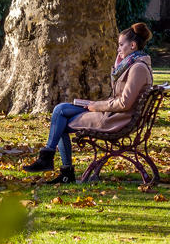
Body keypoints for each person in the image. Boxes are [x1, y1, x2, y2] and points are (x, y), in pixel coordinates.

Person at [23, 22, 154, 184]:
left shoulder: (137, 68)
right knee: (60, 109)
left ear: (133, 45)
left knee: (60, 120)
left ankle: (59, 168)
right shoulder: (130, 65)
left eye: (121, 45)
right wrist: (116, 67)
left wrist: (96, 106)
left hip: (116, 119)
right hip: (112, 113)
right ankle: (50, 160)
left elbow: (124, 104)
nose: (118, 49)